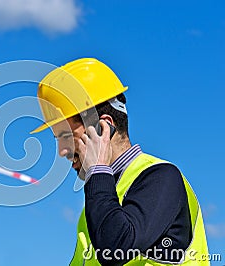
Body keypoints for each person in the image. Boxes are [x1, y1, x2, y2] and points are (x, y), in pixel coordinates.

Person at [31, 58, 209, 265]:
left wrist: (97, 169)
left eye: (66, 135)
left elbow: (115, 247)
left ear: (103, 128)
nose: (62, 151)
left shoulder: (161, 177)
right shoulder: (97, 206)